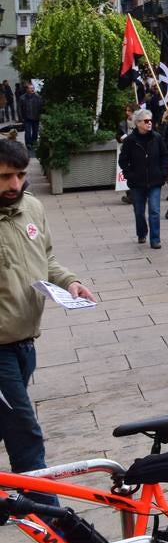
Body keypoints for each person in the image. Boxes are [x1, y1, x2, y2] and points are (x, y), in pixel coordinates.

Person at [0, 139, 95, 491]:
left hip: (26, 344)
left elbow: (47, 259)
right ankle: (50, 518)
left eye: (21, 175)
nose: (15, 184)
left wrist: (70, 282)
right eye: (6, 177)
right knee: (26, 435)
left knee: (6, 423)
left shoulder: (32, 208)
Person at [118, 109, 168, 249]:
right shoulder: (130, 140)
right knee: (139, 212)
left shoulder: (157, 137)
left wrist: (163, 172)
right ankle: (142, 233)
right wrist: (130, 174)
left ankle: (155, 239)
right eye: (146, 121)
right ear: (138, 123)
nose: (149, 123)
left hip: (155, 180)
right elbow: (123, 160)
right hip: (137, 182)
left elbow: (164, 155)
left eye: (150, 120)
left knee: (154, 211)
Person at [17, 83, 41, 152]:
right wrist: (20, 118)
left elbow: (40, 106)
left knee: (35, 132)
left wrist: (40, 115)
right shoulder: (22, 98)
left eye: (33, 88)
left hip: (36, 117)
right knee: (28, 132)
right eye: (30, 88)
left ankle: (34, 143)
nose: (32, 89)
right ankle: (28, 144)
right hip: (27, 117)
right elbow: (19, 108)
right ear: (27, 89)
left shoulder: (37, 97)